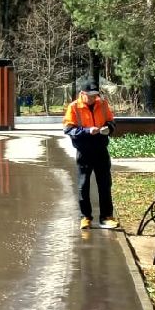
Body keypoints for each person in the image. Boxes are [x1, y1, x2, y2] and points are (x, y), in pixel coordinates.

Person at [64, 79, 117, 231]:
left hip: (101, 149)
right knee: (83, 185)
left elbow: (111, 122)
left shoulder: (103, 104)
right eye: (91, 95)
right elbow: (68, 129)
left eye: (95, 95)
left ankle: (106, 217)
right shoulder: (74, 107)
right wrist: (87, 131)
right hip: (84, 151)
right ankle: (85, 217)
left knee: (105, 184)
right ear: (82, 94)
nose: (94, 98)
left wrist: (108, 128)